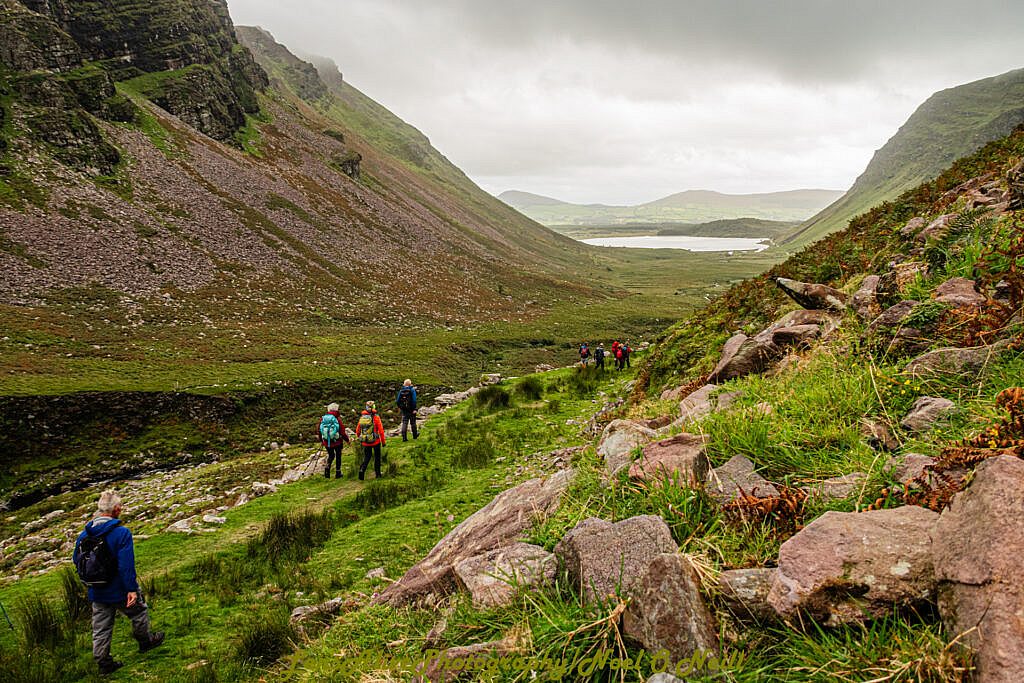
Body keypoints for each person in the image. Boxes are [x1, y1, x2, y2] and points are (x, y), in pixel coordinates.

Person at [73, 490, 164, 676]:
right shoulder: (121, 533)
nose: (121, 509)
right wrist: (131, 589)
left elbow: (77, 560)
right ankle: (146, 642)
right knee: (138, 612)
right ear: (115, 510)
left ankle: (103, 662)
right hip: (119, 589)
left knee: (101, 627)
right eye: (119, 507)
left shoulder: (84, 535)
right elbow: (126, 565)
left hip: (97, 589)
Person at [355, 401, 386, 480]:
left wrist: (361, 438)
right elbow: (381, 431)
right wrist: (383, 442)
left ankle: (362, 471)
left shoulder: (362, 418)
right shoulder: (376, 417)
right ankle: (378, 474)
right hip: (375, 441)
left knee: (367, 457)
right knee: (377, 458)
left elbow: (358, 430)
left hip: (365, 441)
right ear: (374, 407)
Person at [319, 402, 350, 478]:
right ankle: (338, 473)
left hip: (327, 442)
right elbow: (342, 432)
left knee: (331, 455)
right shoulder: (337, 419)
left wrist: (322, 441)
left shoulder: (323, 419)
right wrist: (347, 440)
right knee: (338, 456)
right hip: (337, 442)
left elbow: (319, 430)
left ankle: (327, 470)